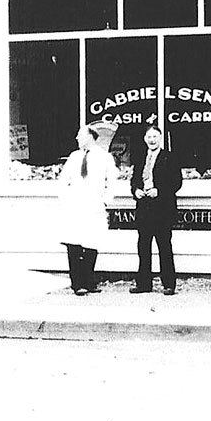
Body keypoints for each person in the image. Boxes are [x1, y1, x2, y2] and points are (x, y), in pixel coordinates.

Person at [57, 125, 119, 295]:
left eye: (80, 135)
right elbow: (63, 180)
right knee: (74, 243)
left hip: (94, 205)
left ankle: (88, 281)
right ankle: (77, 283)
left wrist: (106, 201)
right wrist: (65, 198)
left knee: (92, 243)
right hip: (75, 206)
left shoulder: (104, 157)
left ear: (90, 136)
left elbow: (112, 181)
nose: (77, 138)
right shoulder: (74, 157)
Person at [130, 125, 182, 295]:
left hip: (162, 209)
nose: (152, 140)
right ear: (145, 139)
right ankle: (144, 284)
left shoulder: (170, 157)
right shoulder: (140, 157)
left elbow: (176, 182)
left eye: (155, 137)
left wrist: (159, 191)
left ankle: (168, 284)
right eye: (149, 137)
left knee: (164, 246)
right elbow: (134, 180)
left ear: (160, 139)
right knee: (143, 247)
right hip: (144, 207)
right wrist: (136, 190)